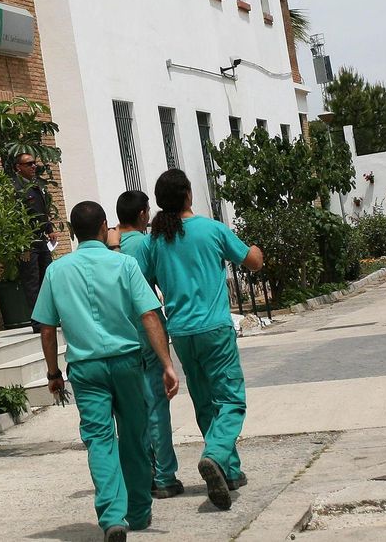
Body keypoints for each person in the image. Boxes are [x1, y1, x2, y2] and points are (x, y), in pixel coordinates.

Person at [35, 201, 180, 541]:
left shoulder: (57, 271)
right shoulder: (124, 264)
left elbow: (45, 327)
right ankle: (139, 512)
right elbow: (149, 315)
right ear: (104, 227)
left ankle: (113, 516)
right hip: (127, 362)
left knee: (99, 441)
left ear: (72, 232)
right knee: (134, 436)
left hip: (86, 369)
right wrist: (167, 364)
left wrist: (53, 373)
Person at [142, 169, 263, 511]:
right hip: (214, 329)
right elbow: (253, 262)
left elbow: (146, 285)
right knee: (231, 400)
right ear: (189, 195)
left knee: (207, 402)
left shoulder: (156, 241)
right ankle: (214, 455)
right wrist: (254, 247)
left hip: (180, 332)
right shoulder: (212, 229)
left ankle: (230, 470)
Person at [114, 190, 181, 499]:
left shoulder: (107, 247)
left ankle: (144, 472)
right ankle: (165, 475)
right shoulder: (145, 244)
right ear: (142, 214)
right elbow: (158, 281)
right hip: (147, 333)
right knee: (156, 407)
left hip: (119, 336)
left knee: (132, 411)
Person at [13, 153, 55, 324]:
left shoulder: (36, 186)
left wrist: (50, 229)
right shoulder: (15, 188)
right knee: (32, 282)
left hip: (41, 239)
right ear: (18, 167)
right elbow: (15, 218)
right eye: (29, 164)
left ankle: (51, 317)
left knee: (48, 277)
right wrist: (23, 245)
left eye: (34, 163)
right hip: (27, 242)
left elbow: (41, 211)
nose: (33, 166)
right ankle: (38, 322)